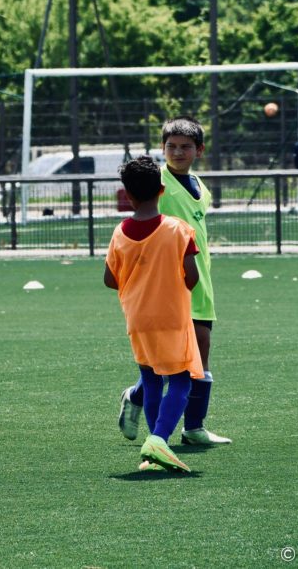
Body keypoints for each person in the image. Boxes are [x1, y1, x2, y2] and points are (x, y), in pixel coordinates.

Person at [117, 117, 231, 446]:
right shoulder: (158, 183)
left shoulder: (199, 186)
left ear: (199, 150)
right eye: (171, 146)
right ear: (162, 148)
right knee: (169, 362)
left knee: (201, 350)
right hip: (169, 284)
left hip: (200, 278)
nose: (178, 152)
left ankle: (193, 427)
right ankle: (139, 399)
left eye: (185, 147)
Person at [105, 156, 204, 473]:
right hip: (171, 317)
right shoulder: (178, 230)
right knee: (181, 381)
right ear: (162, 190)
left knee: (151, 380)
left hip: (137, 319)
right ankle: (159, 439)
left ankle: (152, 456)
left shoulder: (120, 233)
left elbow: (109, 279)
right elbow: (192, 277)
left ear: (127, 195)